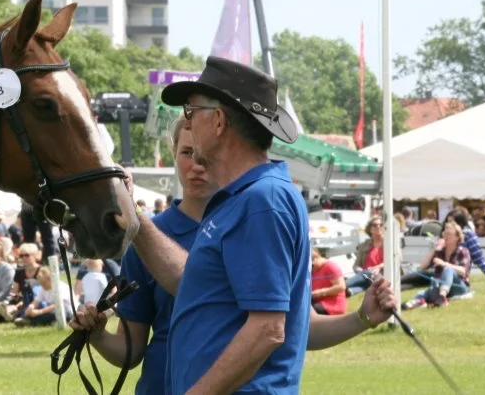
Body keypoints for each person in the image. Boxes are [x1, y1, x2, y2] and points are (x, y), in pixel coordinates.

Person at [73, 116, 397, 394]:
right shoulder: (150, 238)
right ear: (173, 154)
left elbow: (292, 327)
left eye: (200, 151)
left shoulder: (258, 211)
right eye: (187, 152)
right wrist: (98, 335)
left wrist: (360, 319)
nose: (197, 163)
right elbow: (134, 347)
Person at [120, 56, 312, 394]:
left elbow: (268, 328)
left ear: (219, 121)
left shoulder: (261, 200)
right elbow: (196, 287)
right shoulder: (242, 199)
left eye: (192, 113)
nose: (188, 124)